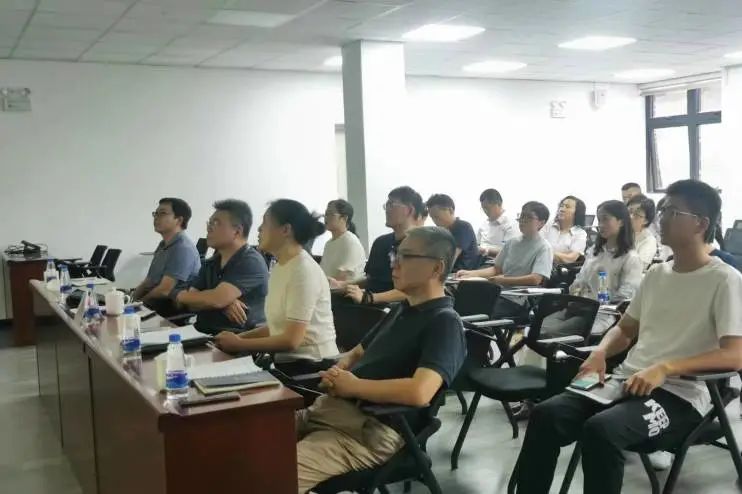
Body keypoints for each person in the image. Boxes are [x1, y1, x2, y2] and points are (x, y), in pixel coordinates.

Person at [513, 179, 742, 494]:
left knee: (602, 430)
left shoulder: (725, 280)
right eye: (662, 210)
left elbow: (734, 354)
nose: (661, 218)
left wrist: (666, 368)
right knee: (547, 414)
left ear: (701, 224)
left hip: (681, 396)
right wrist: (601, 352)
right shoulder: (657, 274)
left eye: (672, 212)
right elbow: (625, 328)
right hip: (627, 379)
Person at [295, 226, 467, 493]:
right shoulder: (403, 309)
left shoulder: (444, 322)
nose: (394, 263)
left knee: (269, 477)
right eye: (396, 254)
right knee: (246, 441)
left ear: (437, 268)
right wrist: (338, 371)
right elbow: (357, 352)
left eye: (406, 256)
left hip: (367, 430)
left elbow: (420, 392)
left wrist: (353, 386)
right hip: (332, 410)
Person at [215, 200, 338, 374]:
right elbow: (276, 328)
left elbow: (291, 340)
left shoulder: (303, 270)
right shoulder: (280, 266)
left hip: (312, 369)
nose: (259, 229)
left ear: (286, 230)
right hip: (287, 364)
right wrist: (236, 338)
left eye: (265, 223)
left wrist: (239, 344)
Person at [542, 200, 643, 337]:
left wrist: (599, 301)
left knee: (548, 334)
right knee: (536, 328)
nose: (600, 224)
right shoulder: (595, 251)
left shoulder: (630, 258)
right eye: (599, 220)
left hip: (599, 315)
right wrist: (574, 298)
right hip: (576, 307)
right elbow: (580, 280)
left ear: (621, 222)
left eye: (605, 219)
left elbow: (624, 298)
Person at [174, 200, 268, 334]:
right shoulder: (211, 262)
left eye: (216, 223)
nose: (209, 228)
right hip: (202, 334)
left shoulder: (250, 261)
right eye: (209, 223)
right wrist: (222, 303)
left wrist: (182, 295)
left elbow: (215, 299)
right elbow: (192, 304)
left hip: (235, 340)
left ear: (237, 231)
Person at [457, 201, 553, 319]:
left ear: (541, 223)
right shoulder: (512, 242)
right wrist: (471, 273)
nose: (522, 220)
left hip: (515, 298)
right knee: (461, 306)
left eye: (528, 217)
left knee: (476, 314)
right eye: (522, 216)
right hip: (496, 292)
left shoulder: (544, 247)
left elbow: (535, 279)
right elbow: (496, 269)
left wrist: (504, 280)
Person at [344, 186, 426, 305]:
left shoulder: (422, 245)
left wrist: (370, 298)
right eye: (386, 205)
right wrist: (344, 285)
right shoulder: (381, 242)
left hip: (398, 308)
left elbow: (414, 290)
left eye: (391, 205)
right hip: (370, 303)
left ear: (409, 210)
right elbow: (373, 279)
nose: (386, 210)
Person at [132, 198, 201, 312]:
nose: (156, 217)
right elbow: (148, 281)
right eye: (155, 213)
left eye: (162, 213)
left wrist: (138, 306)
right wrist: (131, 300)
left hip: (168, 308)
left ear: (179, 220)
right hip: (154, 302)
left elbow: (164, 290)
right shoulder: (163, 245)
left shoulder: (183, 248)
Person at [426, 193, 479, 271]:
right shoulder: (442, 231)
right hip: (452, 273)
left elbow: (451, 258)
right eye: (432, 217)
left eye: (437, 217)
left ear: (450, 210)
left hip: (462, 273)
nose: (435, 221)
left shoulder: (463, 227)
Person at [321, 199, 366, 282]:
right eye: (326, 214)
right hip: (327, 287)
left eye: (330, 214)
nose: (326, 218)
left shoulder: (350, 242)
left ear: (344, 218)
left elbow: (342, 278)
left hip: (342, 289)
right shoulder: (328, 243)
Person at [542, 196, 588, 264]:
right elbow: (536, 246)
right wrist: (562, 255)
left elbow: (570, 258)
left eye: (567, 207)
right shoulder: (547, 225)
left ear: (577, 213)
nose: (562, 209)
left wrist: (545, 253)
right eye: (561, 206)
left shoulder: (580, 233)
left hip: (559, 269)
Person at [477, 188, 519, 257]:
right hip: (480, 258)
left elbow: (510, 251)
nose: (485, 211)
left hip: (496, 261)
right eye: (483, 208)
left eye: (487, 208)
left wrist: (486, 250)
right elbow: (478, 245)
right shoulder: (484, 225)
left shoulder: (511, 224)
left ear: (498, 204)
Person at [627, 194, 658, 270]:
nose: (630, 217)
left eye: (636, 215)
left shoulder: (649, 241)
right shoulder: (617, 232)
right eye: (629, 212)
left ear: (645, 220)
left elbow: (638, 267)